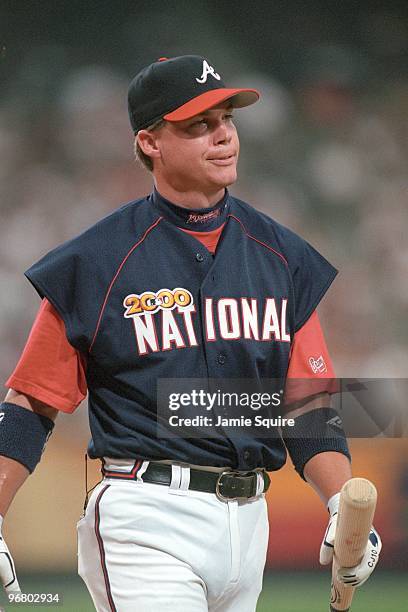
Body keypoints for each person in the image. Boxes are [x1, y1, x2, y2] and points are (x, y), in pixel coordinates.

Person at [0, 55, 381, 611]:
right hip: (146, 515)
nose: (223, 135)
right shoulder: (98, 261)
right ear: (151, 142)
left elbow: (309, 406)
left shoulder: (280, 257)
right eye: (199, 124)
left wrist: (339, 507)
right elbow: (31, 404)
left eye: (226, 118)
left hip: (250, 523)